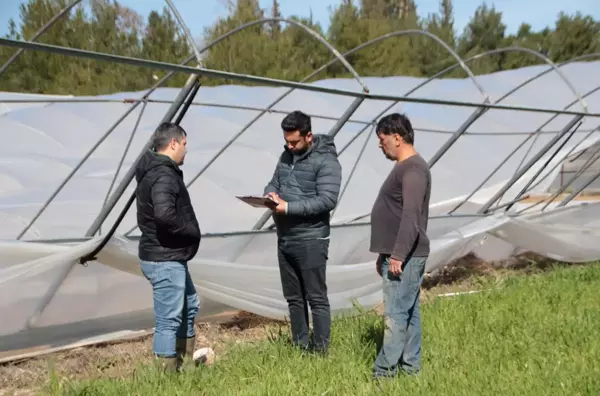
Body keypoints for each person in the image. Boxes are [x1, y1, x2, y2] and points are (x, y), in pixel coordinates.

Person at [263, 110, 342, 354]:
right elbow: (273, 182)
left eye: (294, 141)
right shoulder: (286, 156)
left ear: (308, 136)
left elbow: (327, 200)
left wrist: (288, 208)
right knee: (294, 297)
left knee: (315, 297)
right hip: (285, 237)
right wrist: (270, 194)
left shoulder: (326, 161)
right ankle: (300, 345)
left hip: (311, 239)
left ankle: (320, 351)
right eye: (286, 141)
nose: (289, 145)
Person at [135, 121, 201, 373]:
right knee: (168, 319)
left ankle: (184, 367)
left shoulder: (159, 171)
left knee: (189, 304)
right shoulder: (163, 174)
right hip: (164, 257)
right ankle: (165, 376)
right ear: (173, 143)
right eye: (184, 144)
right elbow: (164, 215)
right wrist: (189, 230)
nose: (186, 149)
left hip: (170, 255)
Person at [369, 113, 431, 379]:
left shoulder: (413, 170)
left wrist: (397, 255)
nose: (380, 145)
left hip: (405, 257)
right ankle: (410, 369)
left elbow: (411, 216)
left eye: (382, 140)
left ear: (397, 137)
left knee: (395, 315)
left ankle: (383, 374)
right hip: (398, 254)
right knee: (408, 313)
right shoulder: (405, 168)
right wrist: (385, 252)